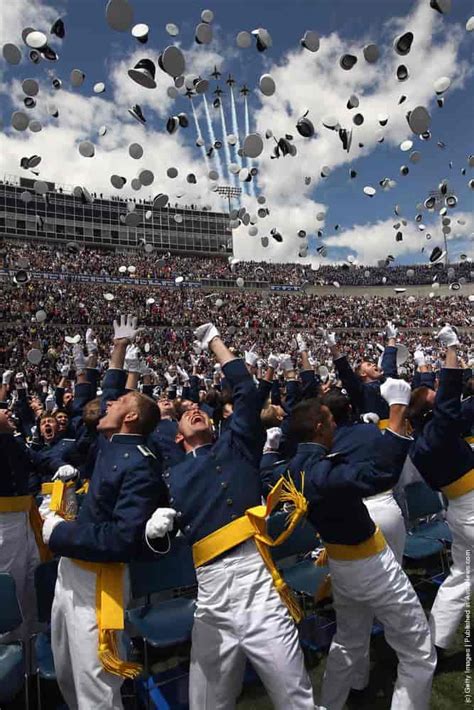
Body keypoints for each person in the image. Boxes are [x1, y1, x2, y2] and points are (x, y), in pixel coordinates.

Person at [146, 322, 316, 710]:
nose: (193, 409)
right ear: (177, 437)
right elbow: (153, 537)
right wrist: (155, 533)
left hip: (258, 578)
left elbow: (248, 391)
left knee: (295, 696)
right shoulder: (168, 475)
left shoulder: (236, 444)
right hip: (210, 591)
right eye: (187, 412)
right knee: (206, 702)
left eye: (199, 409)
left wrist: (215, 343)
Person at [270, 379, 436, 710]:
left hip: (343, 565)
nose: (336, 426)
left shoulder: (297, 466)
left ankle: (333, 702)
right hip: (370, 564)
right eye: (331, 421)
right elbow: (381, 474)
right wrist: (398, 409)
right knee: (417, 649)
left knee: (348, 640)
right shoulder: (320, 471)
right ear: (319, 428)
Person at [43, 315, 170, 710]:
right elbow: (100, 399)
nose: (108, 402)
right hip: (73, 573)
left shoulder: (138, 463)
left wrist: (58, 532)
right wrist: (118, 348)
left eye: (117, 404)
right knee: (67, 670)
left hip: (99, 582)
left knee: (97, 688)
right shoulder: (113, 445)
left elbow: (120, 538)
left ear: (129, 417)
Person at [409, 325, 474, 651]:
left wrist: (424, 365)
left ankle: (438, 639)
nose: (437, 389)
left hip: (460, 509)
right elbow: (449, 397)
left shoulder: (423, 437)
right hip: (470, 508)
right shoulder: (436, 434)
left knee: (463, 576)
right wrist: (451, 349)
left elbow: (441, 401)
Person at [0, 408, 40, 643]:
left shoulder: (11, 440)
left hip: (23, 516)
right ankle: (8, 647)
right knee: (9, 584)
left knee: (30, 580)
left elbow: (34, 460)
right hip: (4, 523)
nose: (7, 411)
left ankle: (26, 645)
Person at [322, 322, 399, 427]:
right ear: (363, 373)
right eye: (368, 365)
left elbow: (389, 364)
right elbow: (346, 373)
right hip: (375, 434)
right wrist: (333, 348)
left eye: (372, 363)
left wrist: (392, 338)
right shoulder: (361, 391)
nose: (373, 364)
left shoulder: (387, 381)